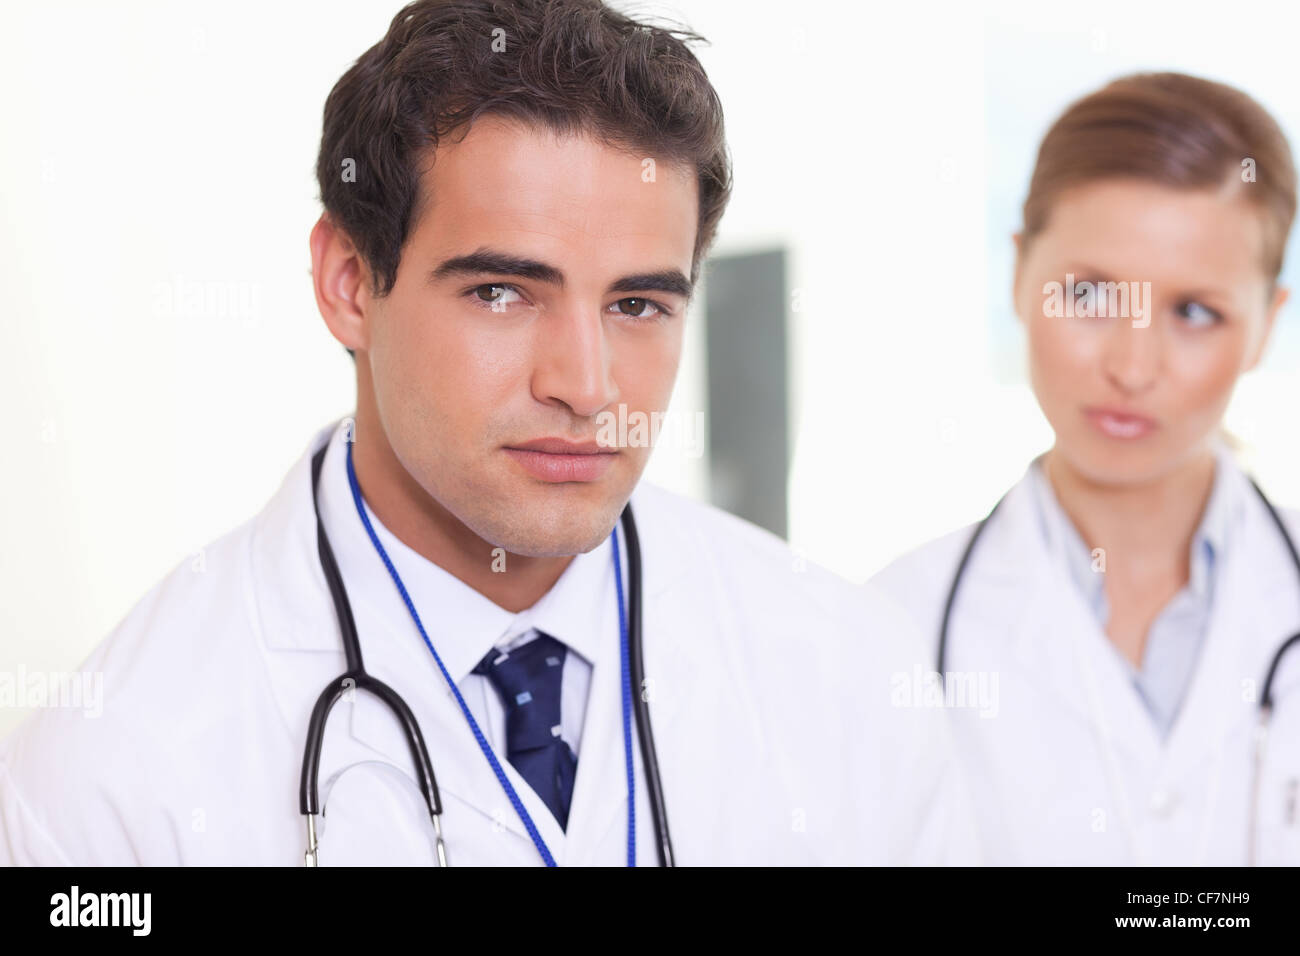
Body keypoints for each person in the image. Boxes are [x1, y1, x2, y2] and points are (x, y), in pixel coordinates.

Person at [0, 0, 971, 866]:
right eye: (502, 292)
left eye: (636, 303)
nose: (585, 386)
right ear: (348, 283)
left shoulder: (851, 676)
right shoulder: (111, 779)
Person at [871, 71, 1300, 865]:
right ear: (1018, 275)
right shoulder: (890, 628)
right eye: (1092, 294)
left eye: (1195, 311)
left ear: (1266, 327)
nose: (1133, 367)